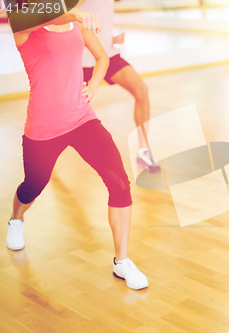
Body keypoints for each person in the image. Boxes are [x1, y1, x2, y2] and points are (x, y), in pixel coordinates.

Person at [5, 4, 148, 290]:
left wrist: (94, 83)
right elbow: (43, 15)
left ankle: (122, 261)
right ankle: (16, 219)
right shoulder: (23, 24)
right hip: (44, 129)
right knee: (33, 185)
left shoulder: (76, 22)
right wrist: (76, 15)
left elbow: (101, 58)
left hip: (83, 119)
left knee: (119, 182)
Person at [79, 0, 159, 172]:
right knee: (66, 112)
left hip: (107, 54)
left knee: (141, 90)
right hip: (80, 59)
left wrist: (110, 38)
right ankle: (46, 153)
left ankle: (144, 150)